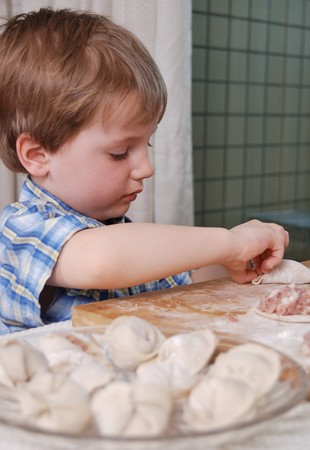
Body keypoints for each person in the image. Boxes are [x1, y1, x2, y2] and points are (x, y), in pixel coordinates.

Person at [0, 8, 288, 334]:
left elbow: (182, 283)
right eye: (120, 152)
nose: (146, 168)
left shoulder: (115, 230)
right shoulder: (22, 229)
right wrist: (229, 243)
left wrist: (234, 260)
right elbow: (102, 260)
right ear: (38, 155)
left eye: (146, 145)